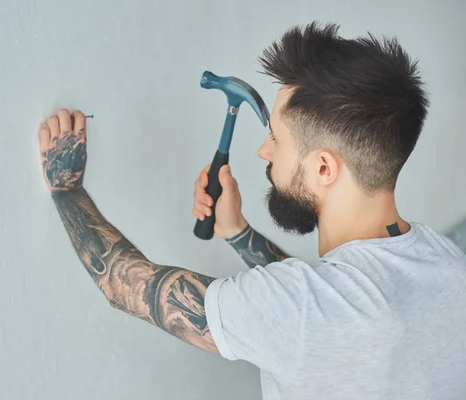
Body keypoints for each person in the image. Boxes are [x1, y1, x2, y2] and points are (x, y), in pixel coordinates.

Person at [36, 22, 466, 399]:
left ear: (323, 167)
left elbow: (122, 285)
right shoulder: (447, 264)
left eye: (276, 138)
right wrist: (238, 232)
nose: (264, 151)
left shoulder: (302, 307)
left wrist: (66, 189)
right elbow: (327, 299)